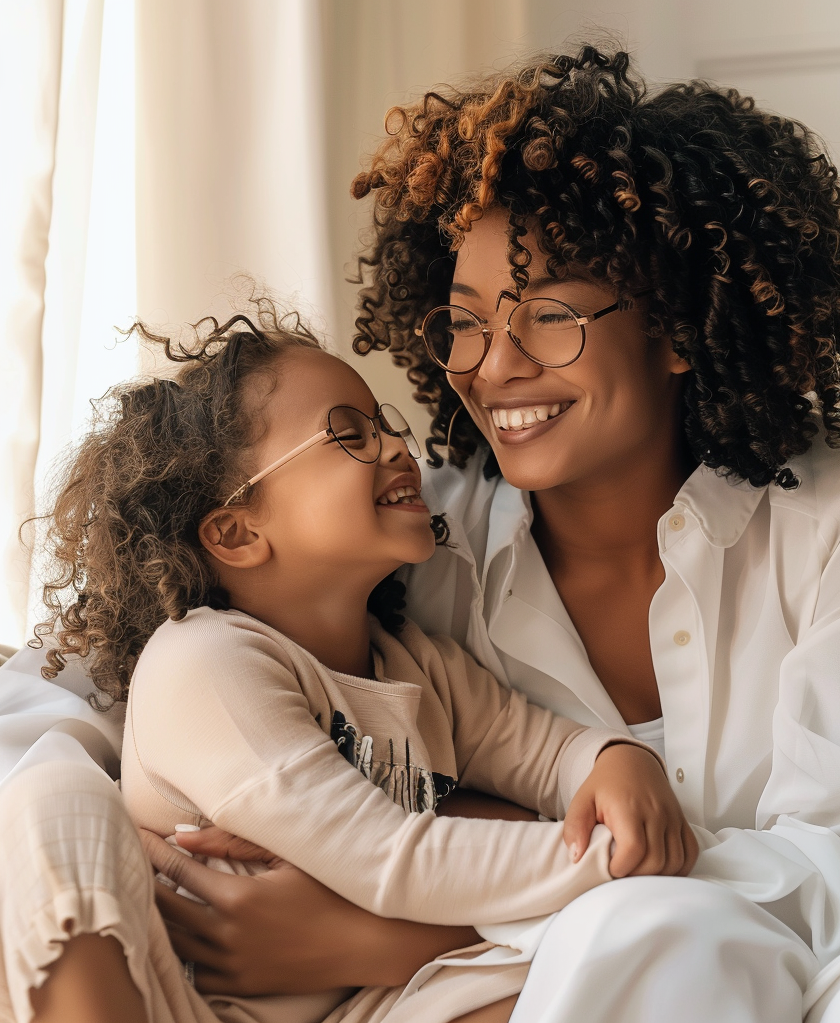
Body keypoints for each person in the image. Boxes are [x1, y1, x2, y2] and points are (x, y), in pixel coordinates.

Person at [3, 42, 840, 1023]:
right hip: (602, 958)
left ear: (676, 325)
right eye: (464, 320)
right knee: (661, 937)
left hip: (825, 947)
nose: (490, 367)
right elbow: (107, 680)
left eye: (544, 316)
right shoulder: (414, 533)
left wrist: (391, 936)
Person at [1, 305, 697, 1023]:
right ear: (238, 531)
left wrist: (616, 760)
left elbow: (548, 752)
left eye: (386, 423)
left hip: (365, 1003)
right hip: (180, 1004)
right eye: (349, 434)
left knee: (596, 968)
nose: (398, 446)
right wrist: (615, 861)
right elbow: (391, 859)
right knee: (53, 796)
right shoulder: (204, 662)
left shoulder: (418, 664)